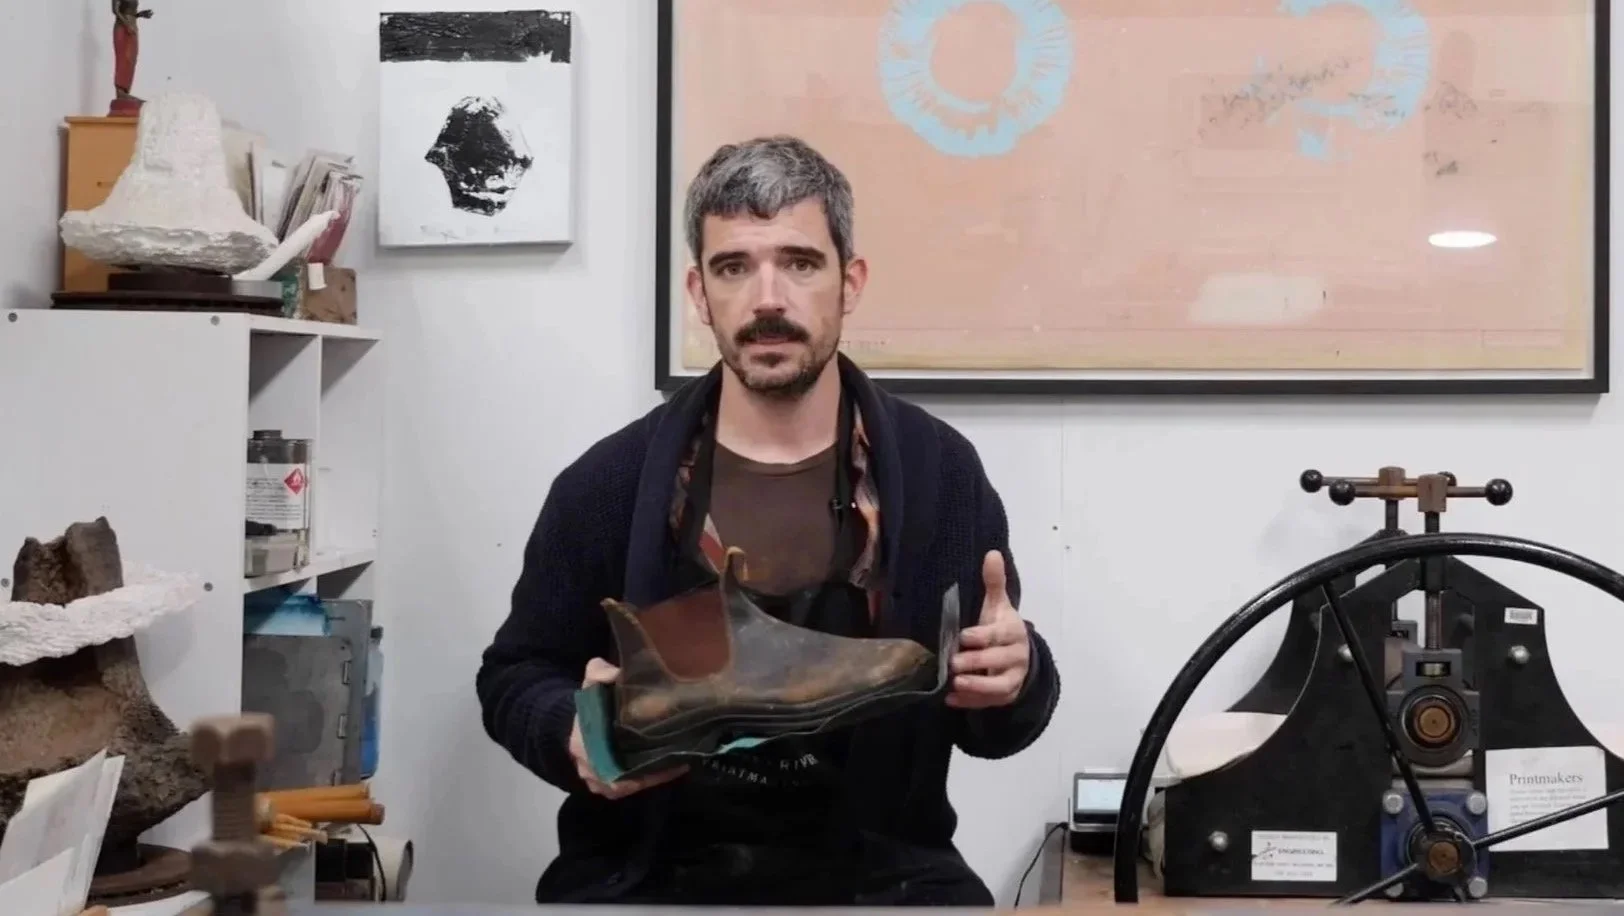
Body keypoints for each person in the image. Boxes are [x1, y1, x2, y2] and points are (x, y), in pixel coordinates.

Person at [476, 135, 1061, 906]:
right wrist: (571, 730)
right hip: (655, 881)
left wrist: (1016, 679)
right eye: (734, 267)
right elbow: (514, 676)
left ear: (850, 282)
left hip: (882, 881)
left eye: (800, 262)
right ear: (698, 291)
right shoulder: (608, 485)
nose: (768, 300)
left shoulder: (938, 473)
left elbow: (994, 725)